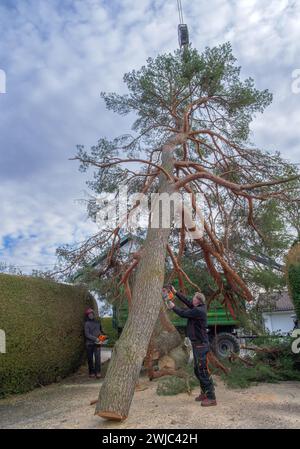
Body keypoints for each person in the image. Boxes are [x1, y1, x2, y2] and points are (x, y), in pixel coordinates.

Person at [164, 286, 217, 407]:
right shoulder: (198, 307)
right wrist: (176, 292)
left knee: (202, 370)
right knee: (197, 370)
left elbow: (183, 313)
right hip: (198, 344)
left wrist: (173, 307)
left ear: (198, 301)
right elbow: (187, 301)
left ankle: (211, 397)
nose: (192, 300)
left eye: (194, 298)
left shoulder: (198, 311)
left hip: (201, 345)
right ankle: (205, 392)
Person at [84, 308, 103, 379]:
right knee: (90, 359)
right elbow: (87, 334)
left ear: (93, 314)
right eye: (89, 314)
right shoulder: (86, 324)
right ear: (87, 316)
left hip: (97, 343)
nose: (91, 315)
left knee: (98, 358)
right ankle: (91, 372)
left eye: (91, 314)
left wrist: (102, 338)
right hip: (89, 344)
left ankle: (98, 372)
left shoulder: (98, 322)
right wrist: (95, 338)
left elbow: (100, 331)